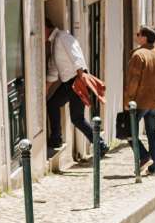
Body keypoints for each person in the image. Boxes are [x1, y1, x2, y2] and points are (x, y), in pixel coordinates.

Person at [45, 18, 108, 157]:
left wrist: (81, 78)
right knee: (53, 104)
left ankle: (100, 144)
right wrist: (46, 88)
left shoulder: (63, 37)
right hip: (68, 84)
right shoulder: (54, 42)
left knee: (77, 118)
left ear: (45, 28)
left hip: (76, 81)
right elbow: (54, 70)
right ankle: (56, 139)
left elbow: (76, 57)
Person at [124, 25, 155, 175]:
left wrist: (128, 100)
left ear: (144, 38)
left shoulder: (139, 56)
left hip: (140, 101)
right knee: (152, 134)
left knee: (129, 132)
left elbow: (133, 81)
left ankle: (144, 156)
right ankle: (153, 168)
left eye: (138, 34)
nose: (137, 36)